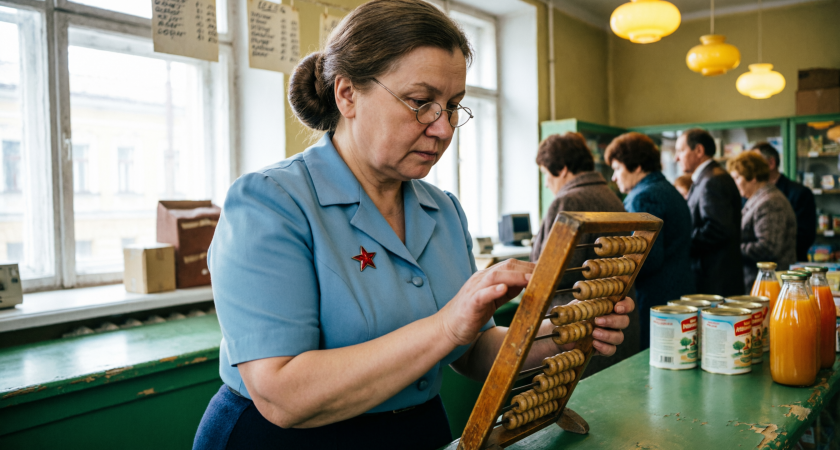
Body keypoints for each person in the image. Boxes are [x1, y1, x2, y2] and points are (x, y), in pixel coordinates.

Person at [192, 2, 634, 449]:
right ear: (347, 94)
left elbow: (473, 350)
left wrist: (565, 332)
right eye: (421, 103)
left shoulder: (442, 211)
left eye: (454, 105)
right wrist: (446, 325)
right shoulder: (271, 202)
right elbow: (282, 395)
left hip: (417, 430)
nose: (443, 129)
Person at [531, 131, 639, 376]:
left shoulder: (567, 202)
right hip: (614, 327)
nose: (547, 183)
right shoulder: (611, 196)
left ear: (563, 169)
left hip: (576, 331)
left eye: (546, 174)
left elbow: (548, 276)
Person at [605, 132, 694, 350]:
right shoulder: (667, 189)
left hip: (655, 298)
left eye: (617, 168)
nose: (614, 177)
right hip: (678, 291)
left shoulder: (642, 197)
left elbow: (646, 257)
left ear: (637, 166)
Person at [676, 128, 744, 297]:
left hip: (716, 280)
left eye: (681, 150)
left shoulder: (713, 179)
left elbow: (717, 228)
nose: (676, 158)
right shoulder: (706, 178)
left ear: (699, 150)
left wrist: (682, 243)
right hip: (712, 276)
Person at [727, 152, 797, 290]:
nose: (733, 183)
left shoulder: (770, 202)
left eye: (736, 177)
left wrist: (731, 249)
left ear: (753, 177)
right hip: (759, 282)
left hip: (769, 285)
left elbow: (768, 247)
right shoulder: (757, 199)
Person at [752, 142, 816, 262]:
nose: (750, 169)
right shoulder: (750, 195)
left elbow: (805, 237)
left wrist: (771, 249)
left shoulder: (799, 193)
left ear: (771, 163)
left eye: (755, 164)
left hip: (790, 268)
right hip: (758, 267)